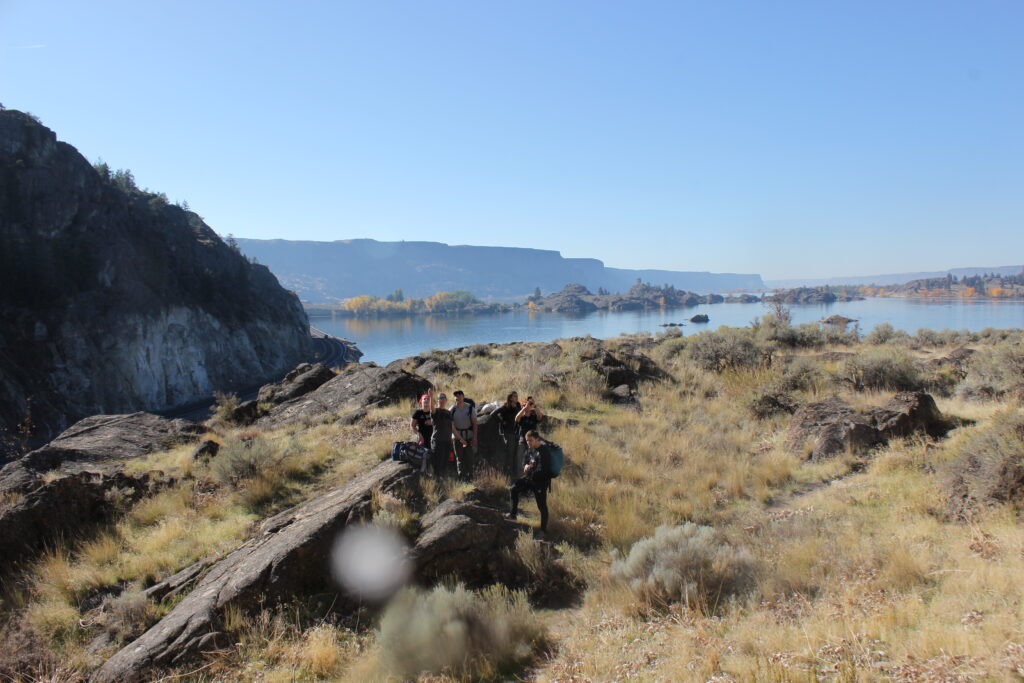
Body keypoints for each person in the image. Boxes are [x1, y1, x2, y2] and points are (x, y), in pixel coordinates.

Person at [507, 430, 553, 537]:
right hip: (530, 478)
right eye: (527, 440)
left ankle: (543, 530)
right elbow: (525, 461)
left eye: (531, 440)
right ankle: (513, 515)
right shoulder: (530, 449)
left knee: (541, 505)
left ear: (537, 439)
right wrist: (525, 466)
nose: (528, 443)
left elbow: (542, 470)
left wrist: (529, 469)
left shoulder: (544, 451)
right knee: (513, 489)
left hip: (541, 482)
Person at [492, 392, 522, 477]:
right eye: (514, 396)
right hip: (508, 432)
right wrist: (502, 421)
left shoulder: (518, 405)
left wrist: (517, 408)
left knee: (516, 452)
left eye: (517, 396)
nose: (516, 397)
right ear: (510, 398)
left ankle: (514, 471)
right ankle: (509, 473)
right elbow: (493, 414)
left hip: (517, 431)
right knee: (510, 453)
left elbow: (520, 416)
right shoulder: (505, 407)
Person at [449, 390, 477, 481]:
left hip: (469, 436)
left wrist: (475, 437)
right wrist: (460, 439)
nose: (458, 398)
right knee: (459, 459)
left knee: (470, 458)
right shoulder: (452, 410)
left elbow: (475, 423)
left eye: (460, 395)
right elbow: (451, 427)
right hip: (457, 438)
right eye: (456, 396)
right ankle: (462, 478)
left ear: (463, 397)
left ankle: (471, 477)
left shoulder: (470, 408)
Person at [514, 395, 544, 475]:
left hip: (533, 442)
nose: (528, 406)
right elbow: (516, 419)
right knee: (520, 459)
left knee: (532, 460)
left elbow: (540, 417)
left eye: (529, 405)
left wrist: (534, 406)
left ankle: (530, 476)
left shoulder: (534, 416)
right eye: (525, 405)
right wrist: (524, 408)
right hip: (522, 441)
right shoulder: (522, 417)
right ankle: (520, 476)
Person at [430, 393, 455, 478]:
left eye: (443, 397)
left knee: (445, 462)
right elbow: (432, 408)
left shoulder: (448, 413)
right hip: (437, 441)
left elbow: (452, 428)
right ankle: (437, 482)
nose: (442, 399)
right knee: (438, 463)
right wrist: (430, 396)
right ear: (437, 400)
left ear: (446, 400)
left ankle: (443, 481)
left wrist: (460, 438)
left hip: (447, 441)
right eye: (440, 398)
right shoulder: (435, 411)